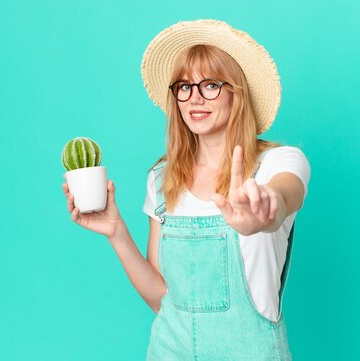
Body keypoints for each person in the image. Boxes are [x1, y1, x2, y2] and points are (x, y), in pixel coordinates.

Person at [62, 19, 310, 361]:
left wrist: (268, 211)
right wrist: (117, 232)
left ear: (236, 92)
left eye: (210, 85)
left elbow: (285, 195)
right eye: (184, 86)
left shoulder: (277, 164)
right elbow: (162, 298)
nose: (195, 98)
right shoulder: (162, 179)